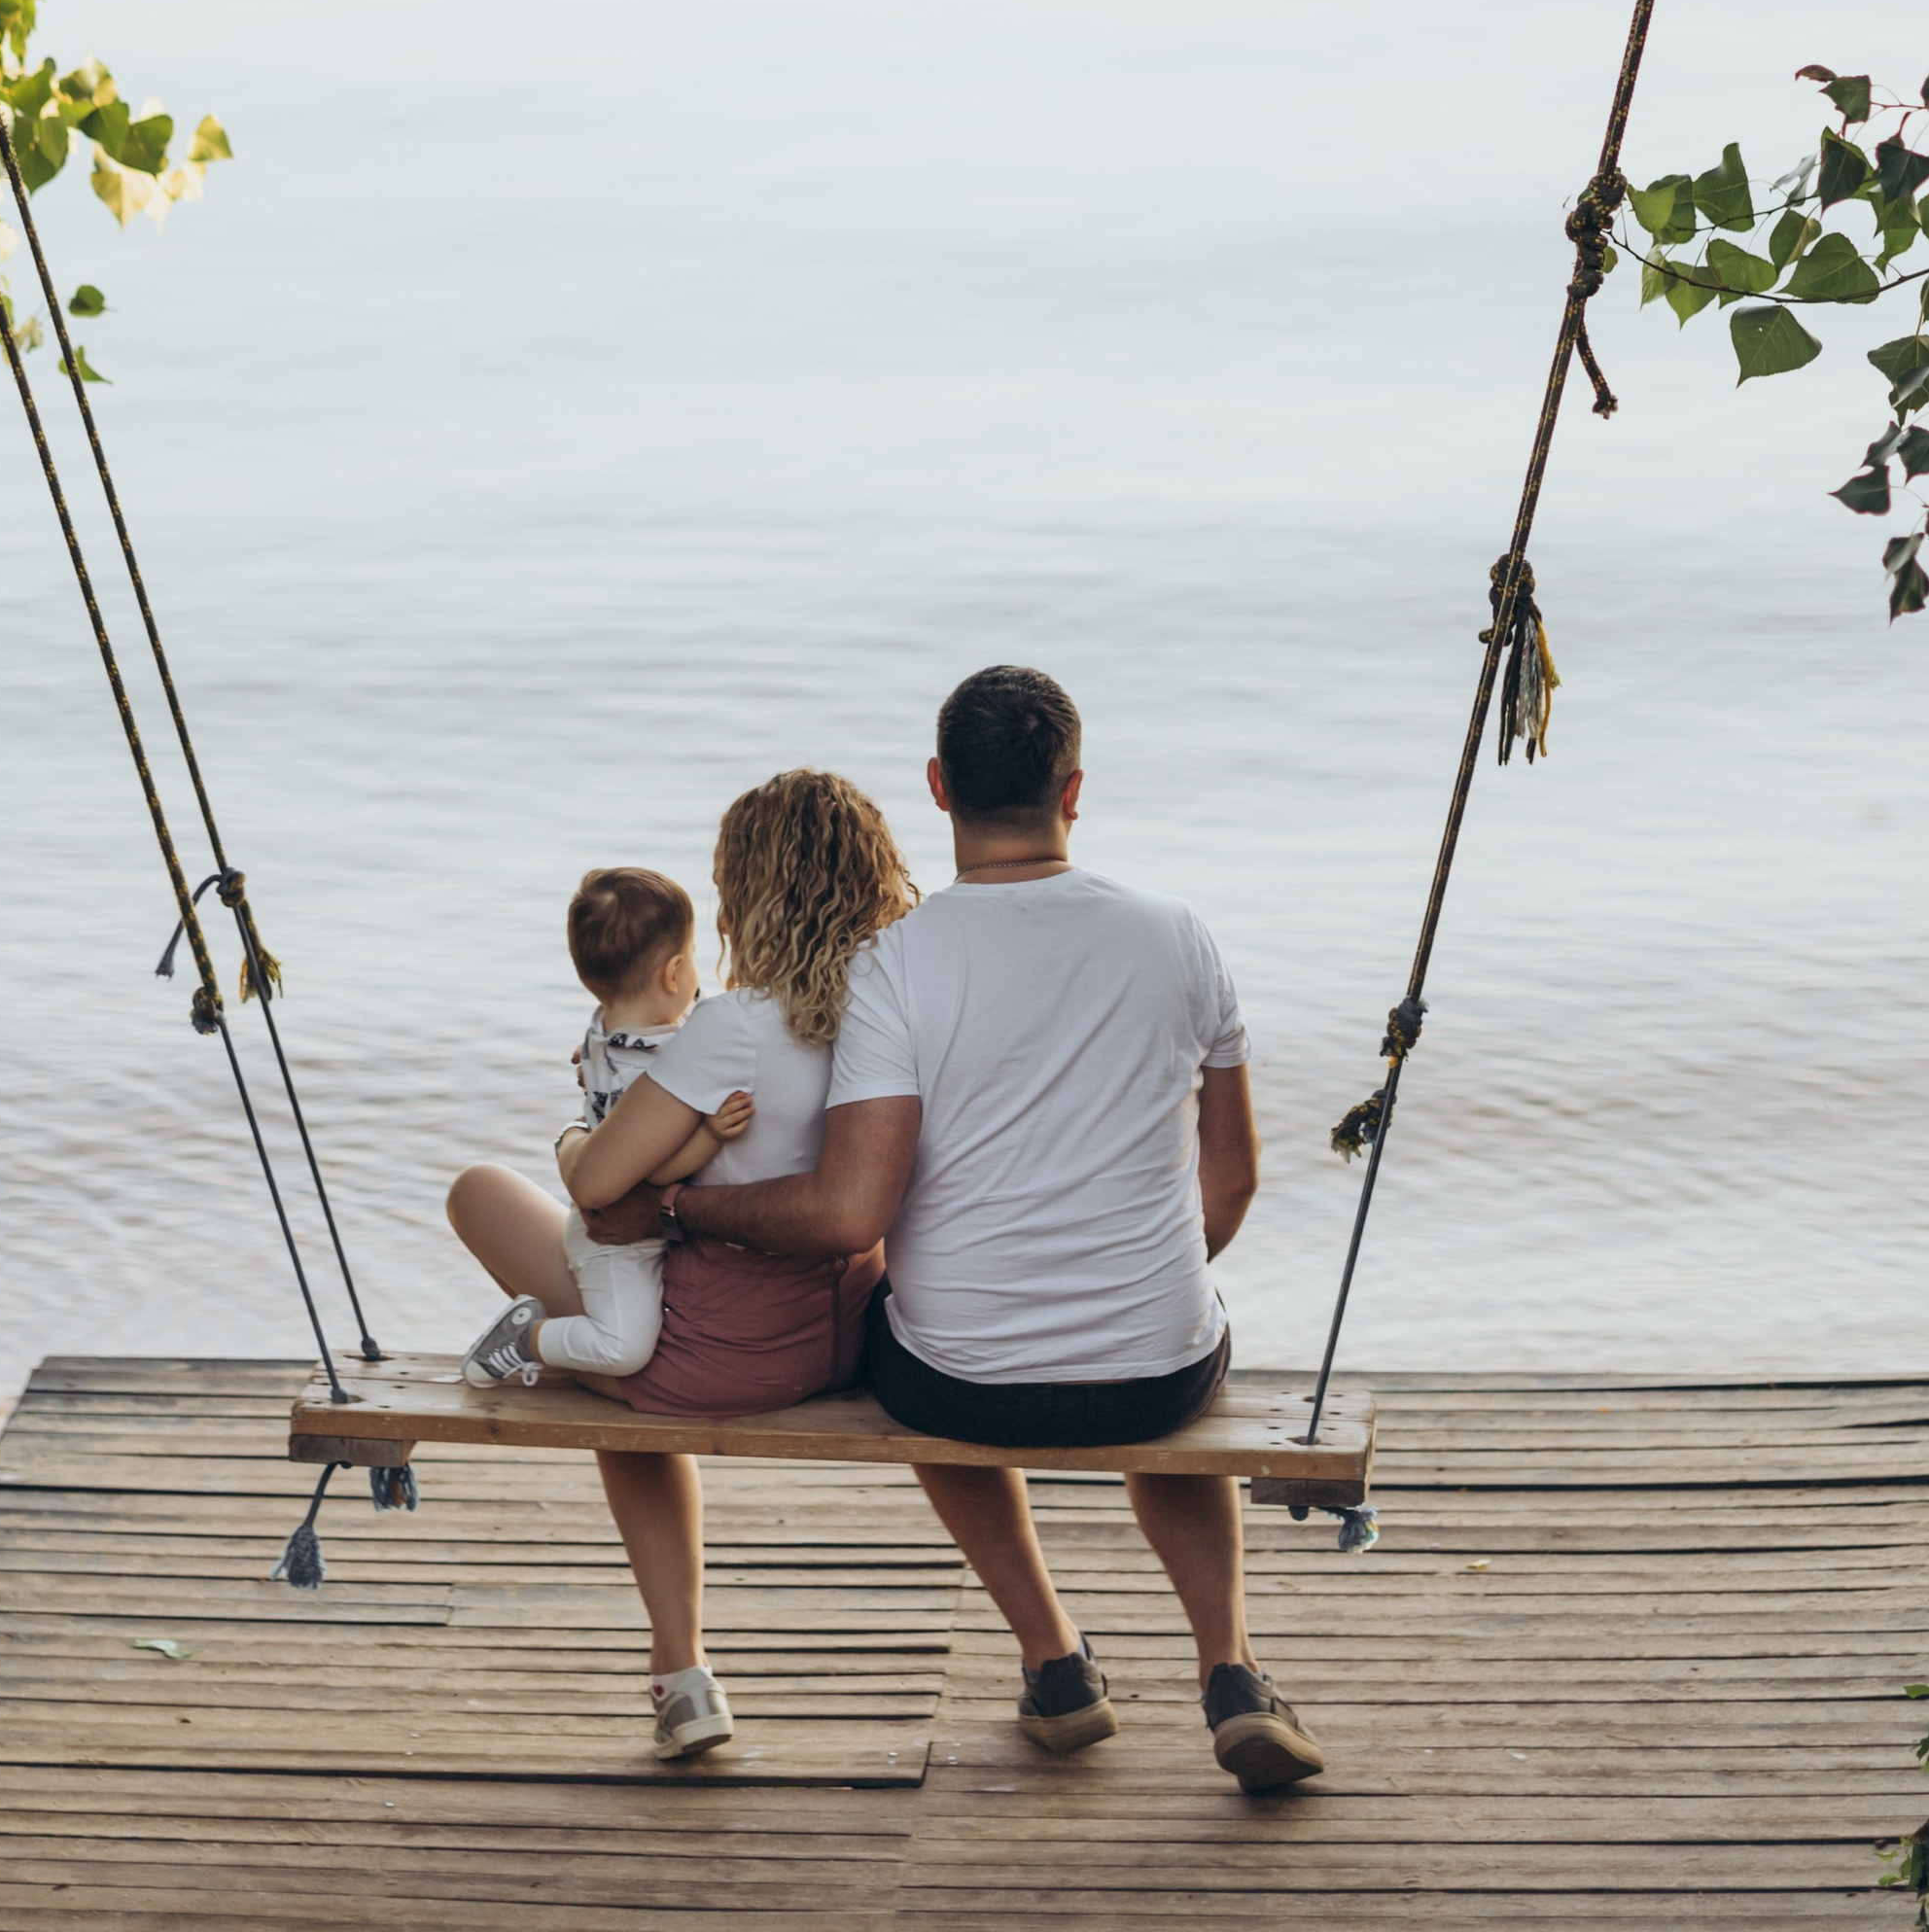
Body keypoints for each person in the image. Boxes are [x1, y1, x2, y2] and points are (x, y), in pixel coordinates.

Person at [586, 666, 1323, 1793]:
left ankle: (1056, 1662)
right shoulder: (1180, 936)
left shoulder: (896, 963)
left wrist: (684, 1204)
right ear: (1073, 791)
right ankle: (1229, 1671)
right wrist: (1126, 1281)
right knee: (1175, 1334)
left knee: (915, 1338)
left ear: (939, 787)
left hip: (963, 1384)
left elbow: (847, 1213)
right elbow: (1229, 1185)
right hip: (1154, 1373)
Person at [447, 770, 913, 1761]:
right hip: (857, 1335)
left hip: (723, 1360)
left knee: (483, 1194)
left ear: (745, 890)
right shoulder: (899, 1008)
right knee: (634, 1313)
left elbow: (599, 1189)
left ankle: (682, 1667)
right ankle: (1050, 1651)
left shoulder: (734, 1023)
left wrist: (580, 1130)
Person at [457, 865, 753, 1390]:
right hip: (614, 1241)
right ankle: (528, 1339)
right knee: (623, 1348)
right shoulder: (643, 1069)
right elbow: (654, 1165)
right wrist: (709, 1136)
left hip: (634, 1221)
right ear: (674, 972)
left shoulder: (611, 1026)